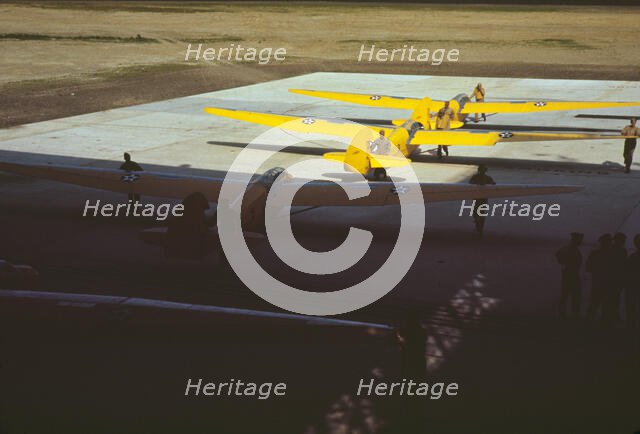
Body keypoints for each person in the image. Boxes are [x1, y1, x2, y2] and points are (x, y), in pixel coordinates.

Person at [586, 233, 614, 323]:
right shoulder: (612, 255)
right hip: (607, 283)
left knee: (594, 304)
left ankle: (589, 322)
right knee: (605, 305)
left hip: (597, 282)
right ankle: (603, 323)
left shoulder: (595, 253)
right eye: (609, 241)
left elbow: (588, 268)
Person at [555, 232, 584, 319]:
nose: (580, 241)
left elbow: (558, 254)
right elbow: (558, 254)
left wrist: (563, 263)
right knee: (573, 295)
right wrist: (564, 263)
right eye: (580, 239)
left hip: (569, 273)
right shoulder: (570, 248)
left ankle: (565, 314)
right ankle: (571, 314)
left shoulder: (570, 248)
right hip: (571, 274)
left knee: (567, 295)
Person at [468, 165, 495, 236]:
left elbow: (470, 183)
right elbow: (493, 183)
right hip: (481, 197)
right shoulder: (487, 178)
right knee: (479, 212)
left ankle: (479, 227)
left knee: (478, 212)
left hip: (479, 197)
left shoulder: (476, 177)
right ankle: (479, 226)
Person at [608, 232, 627, 322]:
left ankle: (611, 317)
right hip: (616, 279)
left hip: (613, 279)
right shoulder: (622, 251)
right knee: (614, 299)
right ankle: (613, 317)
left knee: (612, 299)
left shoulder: (611, 250)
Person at [625, 234, 640, 329]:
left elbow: (627, 272)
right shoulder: (632, 257)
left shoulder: (632, 257)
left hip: (632, 285)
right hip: (633, 285)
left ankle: (631, 326)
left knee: (631, 306)